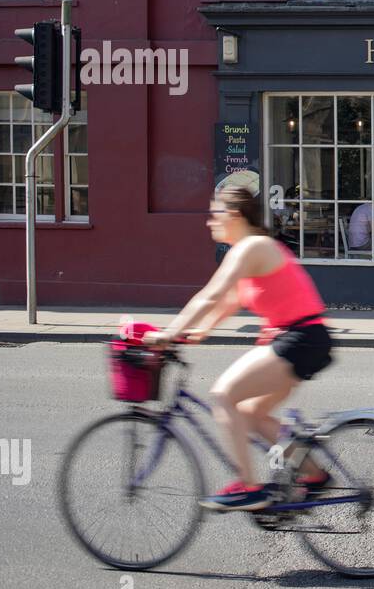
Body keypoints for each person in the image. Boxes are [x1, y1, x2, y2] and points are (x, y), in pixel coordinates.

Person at [143, 187, 334, 511]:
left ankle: (248, 486)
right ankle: (314, 476)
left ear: (233, 215)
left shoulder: (251, 247)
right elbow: (230, 300)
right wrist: (200, 331)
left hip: (299, 338)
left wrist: (169, 332)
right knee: (251, 414)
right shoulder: (253, 250)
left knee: (223, 395)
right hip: (303, 339)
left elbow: (210, 294)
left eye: (214, 214)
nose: (208, 223)